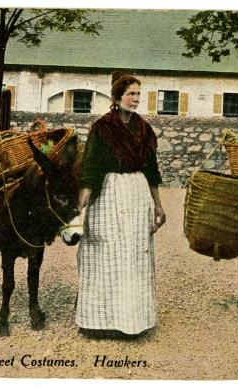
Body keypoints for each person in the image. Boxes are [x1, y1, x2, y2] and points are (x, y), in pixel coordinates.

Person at [75, 70, 166, 338]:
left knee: (134, 257)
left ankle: (132, 322)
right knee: (103, 255)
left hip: (137, 197)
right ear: (117, 97)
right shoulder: (102, 128)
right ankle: (98, 323)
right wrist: (78, 210)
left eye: (138, 94)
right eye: (131, 94)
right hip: (108, 196)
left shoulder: (144, 130)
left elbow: (152, 171)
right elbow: (90, 170)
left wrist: (158, 205)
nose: (136, 99)